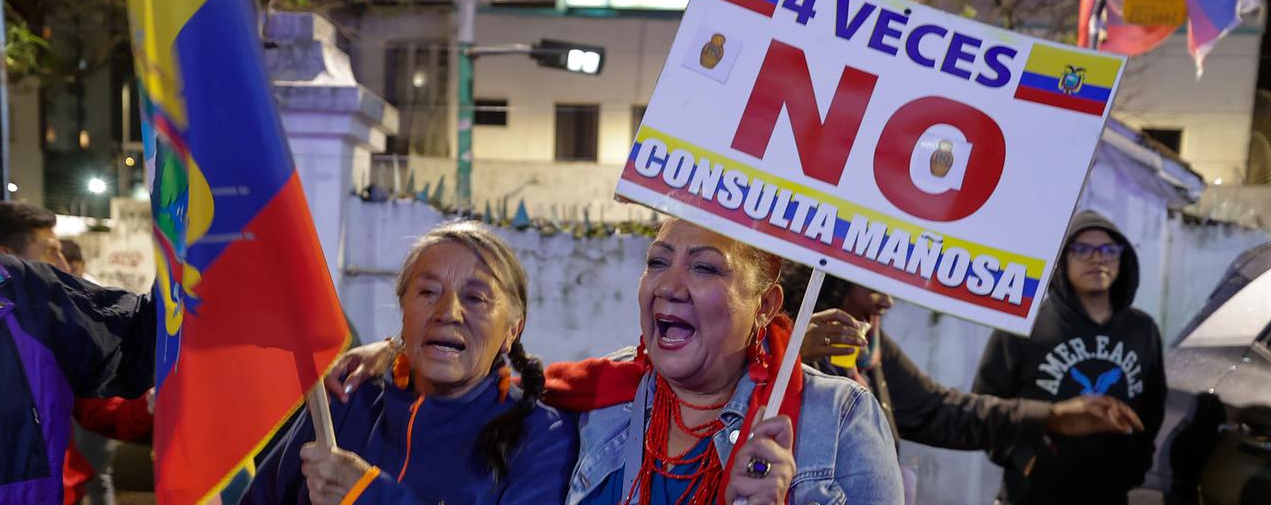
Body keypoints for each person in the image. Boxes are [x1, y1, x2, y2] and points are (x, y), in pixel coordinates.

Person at [330, 218, 904, 503]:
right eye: (658, 262)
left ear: (766, 306)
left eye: (705, 267)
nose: (669, 285)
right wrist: (405, 347)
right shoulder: (597, 401)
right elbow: (494, 372)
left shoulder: (836, 421)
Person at [242, 221, 578, 505]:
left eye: (475, 298)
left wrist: (369, 493)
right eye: (428, 292)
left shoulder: (542, 437)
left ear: (512, 330)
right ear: (404, 312)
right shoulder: (348, 398)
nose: (448, 312)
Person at [782, 263, 1145, 503]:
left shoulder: (872, 351)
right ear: (833, 278)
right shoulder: (775, 342)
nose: (887, 301)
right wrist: (791, 356)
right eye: (875, 284)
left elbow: (939, 411)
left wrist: (1050, 417)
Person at [973, 210, 1167, 504]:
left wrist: (1137, 465)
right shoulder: (1026, 324)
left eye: (1108, 250)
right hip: (1030, 495)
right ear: (1063, 259)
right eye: (1083, 249)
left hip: (1110, 495)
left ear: (1122, 258)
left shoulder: (1142, 330)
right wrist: (1023, 459)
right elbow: (985, 403)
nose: (1097, 258)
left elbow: (1152, 408)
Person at [0, 200, 156, 503]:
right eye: (51, 251)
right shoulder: (25, 303)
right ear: (6, 255)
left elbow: (138, 338)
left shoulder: (37, 315)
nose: (65, 266)